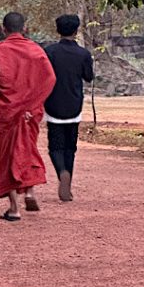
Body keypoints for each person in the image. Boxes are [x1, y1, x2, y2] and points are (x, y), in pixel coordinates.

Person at [0, 12, 56, 221]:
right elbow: (49, 79)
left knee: (8, 155)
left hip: (8, 111)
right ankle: (30, 191)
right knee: (27, 149)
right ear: (24, 28)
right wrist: (33, 103)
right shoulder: (36, 51)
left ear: (4, 30)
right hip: (30, 113)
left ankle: (14, 208)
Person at [43, 14, 94, 202]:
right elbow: (88, 77)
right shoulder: (83, 54)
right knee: (70, 148)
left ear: (58, 30)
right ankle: (68, 183)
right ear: (76, 30)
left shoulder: (49, 52)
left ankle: (61, 173)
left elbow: (43, 76)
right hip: (74, 104)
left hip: (53, 104)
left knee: (55, 146)